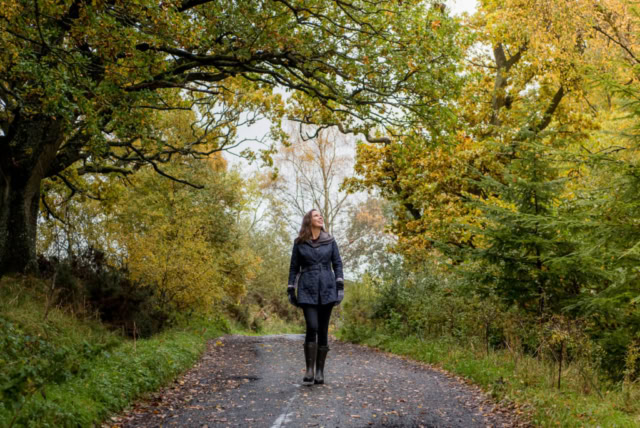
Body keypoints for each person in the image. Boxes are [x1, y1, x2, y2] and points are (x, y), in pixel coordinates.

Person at [287, 209, 344, 385]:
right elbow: (294, 267)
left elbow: (337, 264)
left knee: (323, 330)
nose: (320, 217)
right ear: (308, 221)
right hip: (307, 287)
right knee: (312, 327)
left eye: (321, 215)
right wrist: (291, 288)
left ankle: (320, 372)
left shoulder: (330, 241)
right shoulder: (299, 243)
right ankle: (309, 370)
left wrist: (339, 286)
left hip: (327, 286)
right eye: (316, 215)